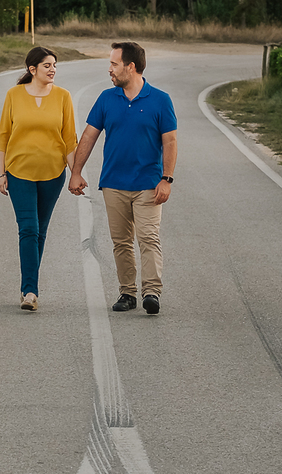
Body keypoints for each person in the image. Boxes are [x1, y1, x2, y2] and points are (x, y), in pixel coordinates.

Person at [68, 41, 177, 315]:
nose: (110, 70)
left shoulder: (160, 100)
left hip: (148, 184)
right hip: (114, 183)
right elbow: (89, 137)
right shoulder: (106, 98)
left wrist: (167, 178)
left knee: (149, 238)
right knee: (121, 242)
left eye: (114, 64)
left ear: (131, 66)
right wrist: (77, 172)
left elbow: (171, 141)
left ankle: (151, 291)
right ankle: (127, 293)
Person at [0, 46, 78, 312]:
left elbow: (69, 140)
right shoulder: (14, 95)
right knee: (29, 228)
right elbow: (3, 136)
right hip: (19, 172)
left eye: (54, 65)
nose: (52, 69)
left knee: (40, 231)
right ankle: (30, 290)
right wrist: (1, 172)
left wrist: (75, 174)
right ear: (32, 69)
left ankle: (28, 286)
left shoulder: (64, 96)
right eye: (47, 65)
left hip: (53, 174)